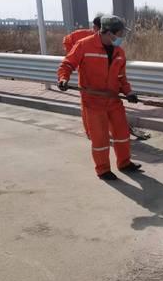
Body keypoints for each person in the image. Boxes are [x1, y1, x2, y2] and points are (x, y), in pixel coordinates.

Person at [57, 15, 141, 180]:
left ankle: (124, 163)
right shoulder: (84, 45)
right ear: (109, 33)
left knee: (122, 134)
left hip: (113, 100)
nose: (121, 37)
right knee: (100, 138)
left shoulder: (119, 52)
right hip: (93, 102)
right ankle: (103, 169)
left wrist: (128, 92)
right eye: (120, 33)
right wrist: (63, 78)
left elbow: (121, 77)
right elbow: (67, 64)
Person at [62, 14, 103, 139]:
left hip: (101, 77)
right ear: (95, 27)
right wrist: (76, 57)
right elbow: (67, 40)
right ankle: (90, 132)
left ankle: (102, 128)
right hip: (86, 77)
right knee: (87, 106)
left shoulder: (108, 39)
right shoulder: (82, 37)